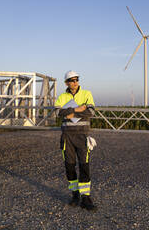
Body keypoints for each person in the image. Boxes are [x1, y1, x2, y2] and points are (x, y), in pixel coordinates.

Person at [54, 70, 97, 211]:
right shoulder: (62, 96)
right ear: (66, 82)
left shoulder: (87, 94)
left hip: (82, 136)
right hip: (67, 137)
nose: (75, 82)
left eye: (77, 79)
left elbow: (91, 112)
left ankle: (86, 198)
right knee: (69, 166)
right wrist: (78, 108)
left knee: (84, 166)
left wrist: (69, 113)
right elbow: (57, 113)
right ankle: (75, 195)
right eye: (72, 80)